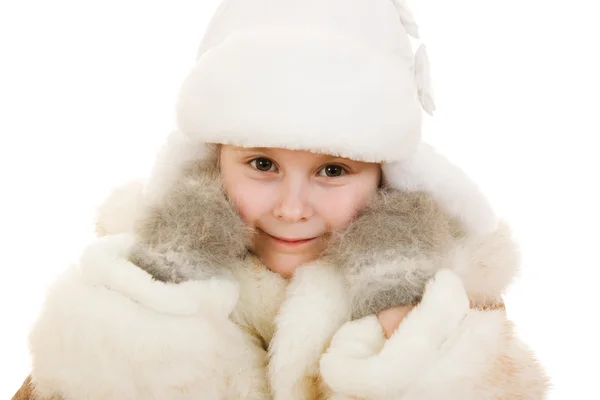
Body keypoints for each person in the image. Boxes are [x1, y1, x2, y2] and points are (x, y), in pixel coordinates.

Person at [12, 0, 549, 399]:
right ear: (213, 159)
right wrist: (137, 341)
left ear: (386, 177)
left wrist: (409, 358)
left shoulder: (449, 312)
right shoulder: (121, 292)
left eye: (333, 169)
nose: (292, 208)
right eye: (262, 165)